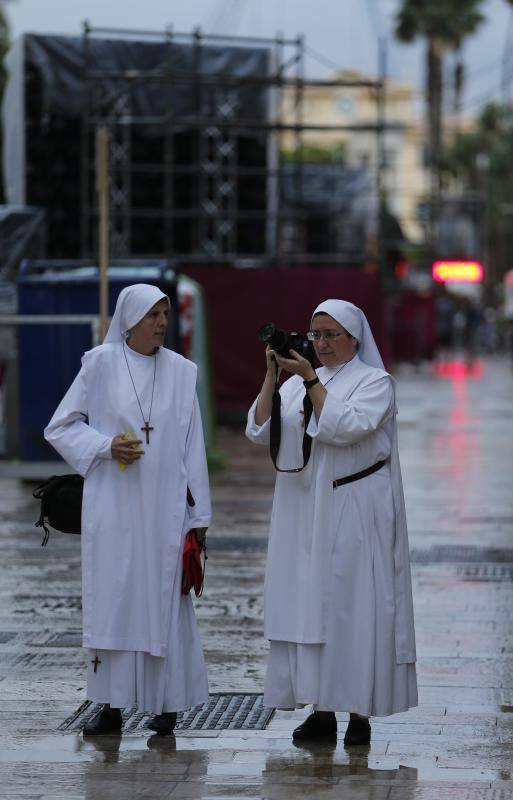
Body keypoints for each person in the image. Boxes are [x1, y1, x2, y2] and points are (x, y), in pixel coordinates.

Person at [246, 299, 417, 745]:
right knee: (309, 607)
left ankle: (359, 711)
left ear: (354, 338)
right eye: (315, 334)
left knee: (351, 608)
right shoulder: (294, 383)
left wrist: (308, 379)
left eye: (330, 335)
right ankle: (321, 709)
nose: (320, 344)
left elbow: (344, 427)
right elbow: (260, 429)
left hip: (354, 508)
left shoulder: (375, 382)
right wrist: (272, 376)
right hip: (303, 506)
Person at [45, 283, 211, 736]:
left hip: (165, 508)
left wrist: (198, 521)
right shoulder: (99, 364)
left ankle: (167, 705)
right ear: (130, 319)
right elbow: (60, 426)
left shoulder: (180, 371)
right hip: (115, 506)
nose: (162, 322)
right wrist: (105, 446)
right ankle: (111, 706)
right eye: (152, 314)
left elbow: (193, 446)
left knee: (165, 604)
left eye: (164, 313)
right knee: (116, 601)